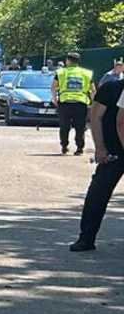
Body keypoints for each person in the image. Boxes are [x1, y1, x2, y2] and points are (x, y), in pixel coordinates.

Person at [68, 71, 124, 252]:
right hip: (112, 151)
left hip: (113, 151)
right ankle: (86, 238)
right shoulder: (111, 88)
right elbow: (96, 117)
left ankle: (85, 239)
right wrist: (100, 148)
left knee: (97, 194)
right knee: (98, 194)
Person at [53, 51, 93, 155]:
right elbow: (93, 90)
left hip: (65, 103)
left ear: (68, 61)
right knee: (80, 127)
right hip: (81, 103)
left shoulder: (61, 72)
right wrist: (93, 103)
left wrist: (55, 99)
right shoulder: (87, 73)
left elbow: (53, 87)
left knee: (64, 127)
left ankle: (64, 147)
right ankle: (79, 149)